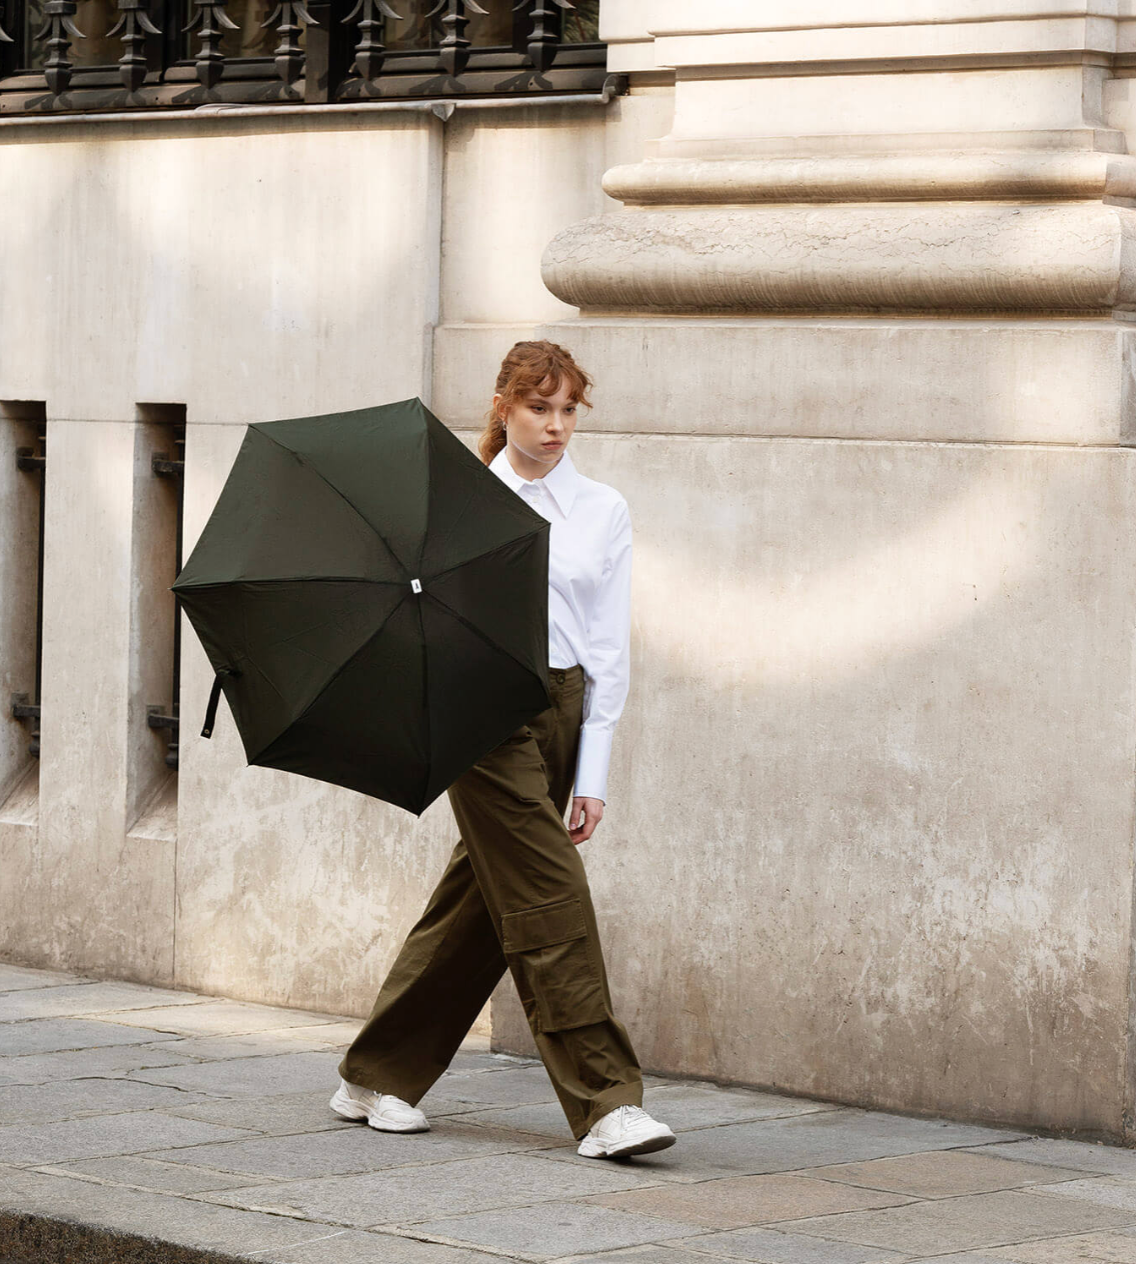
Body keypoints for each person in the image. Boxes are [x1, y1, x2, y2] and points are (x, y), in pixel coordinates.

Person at [331, 340, 676, 1159]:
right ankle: (605, 1103)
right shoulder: (459, 504)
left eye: (567, 411)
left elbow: (607, 648)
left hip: (563, 706)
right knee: (549, 892)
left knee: (484, 902)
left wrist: (593, 770)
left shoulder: (603, 508)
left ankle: (374, 1071)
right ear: (503, 408)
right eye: (538, 409)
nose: (556, 427)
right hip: (480, 708)